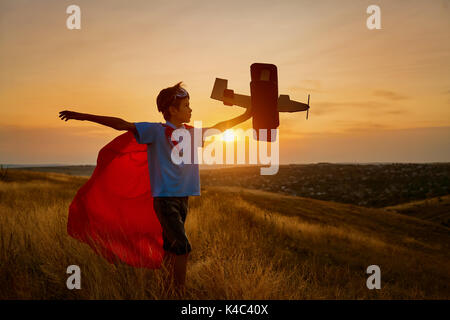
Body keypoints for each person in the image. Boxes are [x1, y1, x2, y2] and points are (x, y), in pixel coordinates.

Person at [59, 82, 252, 296]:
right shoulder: (156, 131)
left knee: (170, 249)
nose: (190, 109)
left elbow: (222, 126)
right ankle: (179, 293)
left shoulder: (192, 133)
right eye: (186, 105)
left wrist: (247, 115)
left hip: (182, 200)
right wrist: (83, 116)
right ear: (172, 109)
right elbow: (122, 124)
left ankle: (166, 289)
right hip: (166, 200)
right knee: (182, 248)